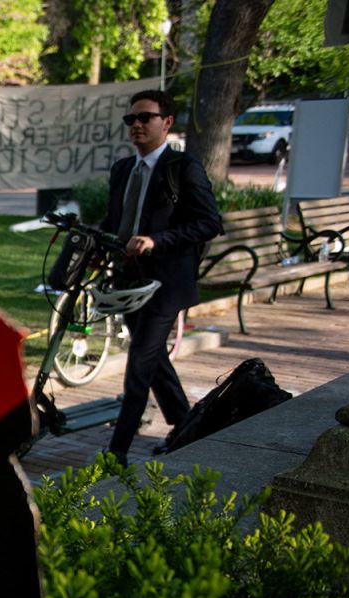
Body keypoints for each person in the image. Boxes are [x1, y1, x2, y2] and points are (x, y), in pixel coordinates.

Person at [102, 90, 223, 467]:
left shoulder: (182, 168)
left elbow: (209, 223)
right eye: (131, 119)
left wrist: (157, 240)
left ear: (166, 123)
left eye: (145, 118)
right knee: (152, 358)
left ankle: (117, 450)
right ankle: (185, 425)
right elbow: (114, 221)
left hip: (166, 283)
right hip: (129, 280)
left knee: (140, 362)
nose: (136, 125)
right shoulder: (123, 169)